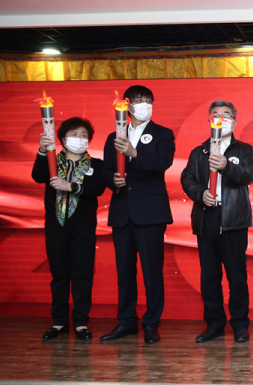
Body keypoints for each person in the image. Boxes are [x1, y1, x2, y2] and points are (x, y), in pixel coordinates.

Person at [100, 85, 175, 344]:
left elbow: (163, 162)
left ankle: (152, 322)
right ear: (127, 105)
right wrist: (112, 180)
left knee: (152, 271)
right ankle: (126, 321)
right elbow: (106, 169)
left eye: (149, 100)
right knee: (124, 272)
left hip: (150, 213)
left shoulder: (163, 133)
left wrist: (134, 152)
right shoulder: (114, 136)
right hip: (122, 212)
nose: (145, 105)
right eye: (139, 100)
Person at [181, 100, 253, 343]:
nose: (221, 118)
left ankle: (240, 325)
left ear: (234, 121)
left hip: (234, 220)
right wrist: (200, 193)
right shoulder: (199, 152)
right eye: (216, 114)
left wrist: (226, 166)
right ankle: (214, 324)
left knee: (237, 276)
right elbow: (187, 179)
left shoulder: (244, 150)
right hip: (207, 219)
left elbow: (250, 174)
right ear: (209, 120)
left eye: (226, 115)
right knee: (210, 276)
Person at [32, 117, 105, 341]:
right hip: (57, 226)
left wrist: (70, 186)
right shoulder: (52, 160)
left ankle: (81, 323)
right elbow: (38, 176)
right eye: (74, 134)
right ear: (63, 139)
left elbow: (97, 188)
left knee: (82, 275)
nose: (79, 139)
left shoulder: (96, 164)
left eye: (84, 135)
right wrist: (43, 151)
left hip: (84, 228)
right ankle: (59, 322)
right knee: (59, 275)